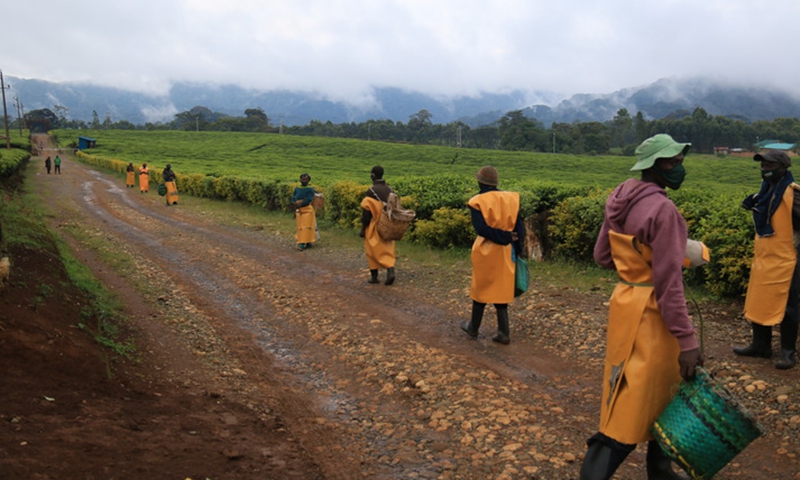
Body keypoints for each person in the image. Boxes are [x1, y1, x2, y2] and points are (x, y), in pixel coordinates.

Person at [579, 134, 706, 480]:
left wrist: (637, 263)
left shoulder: (619, 197)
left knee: (628, 388)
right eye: (672, 163)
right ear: (654, 166)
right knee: (634, 402)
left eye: (680, 161)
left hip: (625, 304)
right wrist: (688, 341)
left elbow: (603, 256)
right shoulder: (664, 211)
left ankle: (661, 471)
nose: (679, 169)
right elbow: (669, 285)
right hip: (653, 315)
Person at [734, 150, 800, 369]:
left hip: (787, 259)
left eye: (769, 165)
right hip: (765, 257)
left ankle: (788, 352)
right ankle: (760, 346)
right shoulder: (766, 192)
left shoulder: (793, 193)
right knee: (760, 300)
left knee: (788, 306)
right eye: (762, 166)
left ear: (783, 167)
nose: (764, 169)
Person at [460, 165, 525, 345]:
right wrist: (516, 247)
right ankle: (503, 332)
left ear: (480, 182)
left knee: (481, 287)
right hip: (506, 251)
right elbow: (520, 228)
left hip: (486, 249)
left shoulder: (477, 201)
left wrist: (501, 237)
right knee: (501, 288)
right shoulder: (511, 199)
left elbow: (481, 229)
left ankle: (473, 327)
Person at [359, 166, 396, 285]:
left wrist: (363, 228)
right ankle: (390, 269)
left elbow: (367, 211)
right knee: (387, 248)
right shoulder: (390, 189)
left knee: (372, 250)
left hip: (374, 225)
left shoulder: (371, 191)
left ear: (373, 175)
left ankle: (374, 277)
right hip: (387, 225)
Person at [291, 173, 317, 250]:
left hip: (307, 210)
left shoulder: (310, 189)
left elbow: (309, 199)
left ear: (308, 180)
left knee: (306, 227)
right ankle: (306, 241)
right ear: (300, 179)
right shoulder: (297, 188)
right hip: (299, 210)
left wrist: (300, 204)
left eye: (306, 179)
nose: (304, 180)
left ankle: (302, 243)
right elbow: (294, 196)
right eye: (302, 179)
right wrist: (293, 202)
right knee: (300, 227)